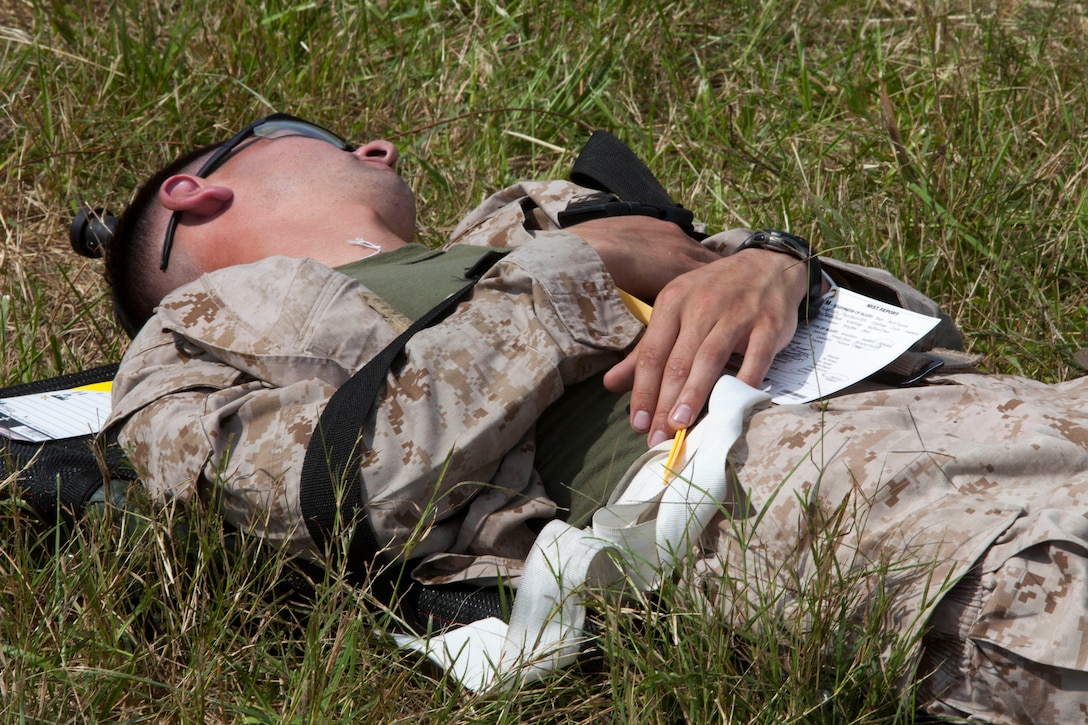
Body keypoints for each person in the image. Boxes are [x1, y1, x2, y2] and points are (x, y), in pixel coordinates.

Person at [101, 114, 1088, 723]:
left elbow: (912, 321)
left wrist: (774, 264)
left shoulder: (529, 213)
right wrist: (577, 273)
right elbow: (337, 492)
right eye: (312, 132)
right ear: (197, 189)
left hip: (971, 404)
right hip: (798, 498)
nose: (378, 145)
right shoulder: (191, 346)